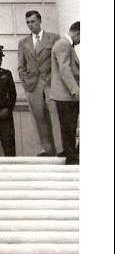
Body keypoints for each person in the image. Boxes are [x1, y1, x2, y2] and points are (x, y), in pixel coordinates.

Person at [17, 10, 61, 156]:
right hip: (33, 85)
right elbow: (21, 66)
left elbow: (59, 61)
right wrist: (25, 81)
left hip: (50, 83)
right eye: (28, 22)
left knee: (55, 116)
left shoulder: (53, 38)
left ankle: (60, 148)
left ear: (40, 21)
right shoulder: (23, 43)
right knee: (39, 117)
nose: (30, 25)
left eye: (33, 21)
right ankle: (46, 148)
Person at [50, 21, 80, 165]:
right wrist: (75, 90)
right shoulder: (64, 44)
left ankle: (72, 155)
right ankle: (71, 156)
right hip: (67, 95)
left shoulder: (64, 44)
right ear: (77, 33)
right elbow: (65, 70)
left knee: (69, 126)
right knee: (69, 126)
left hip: (65, 95)